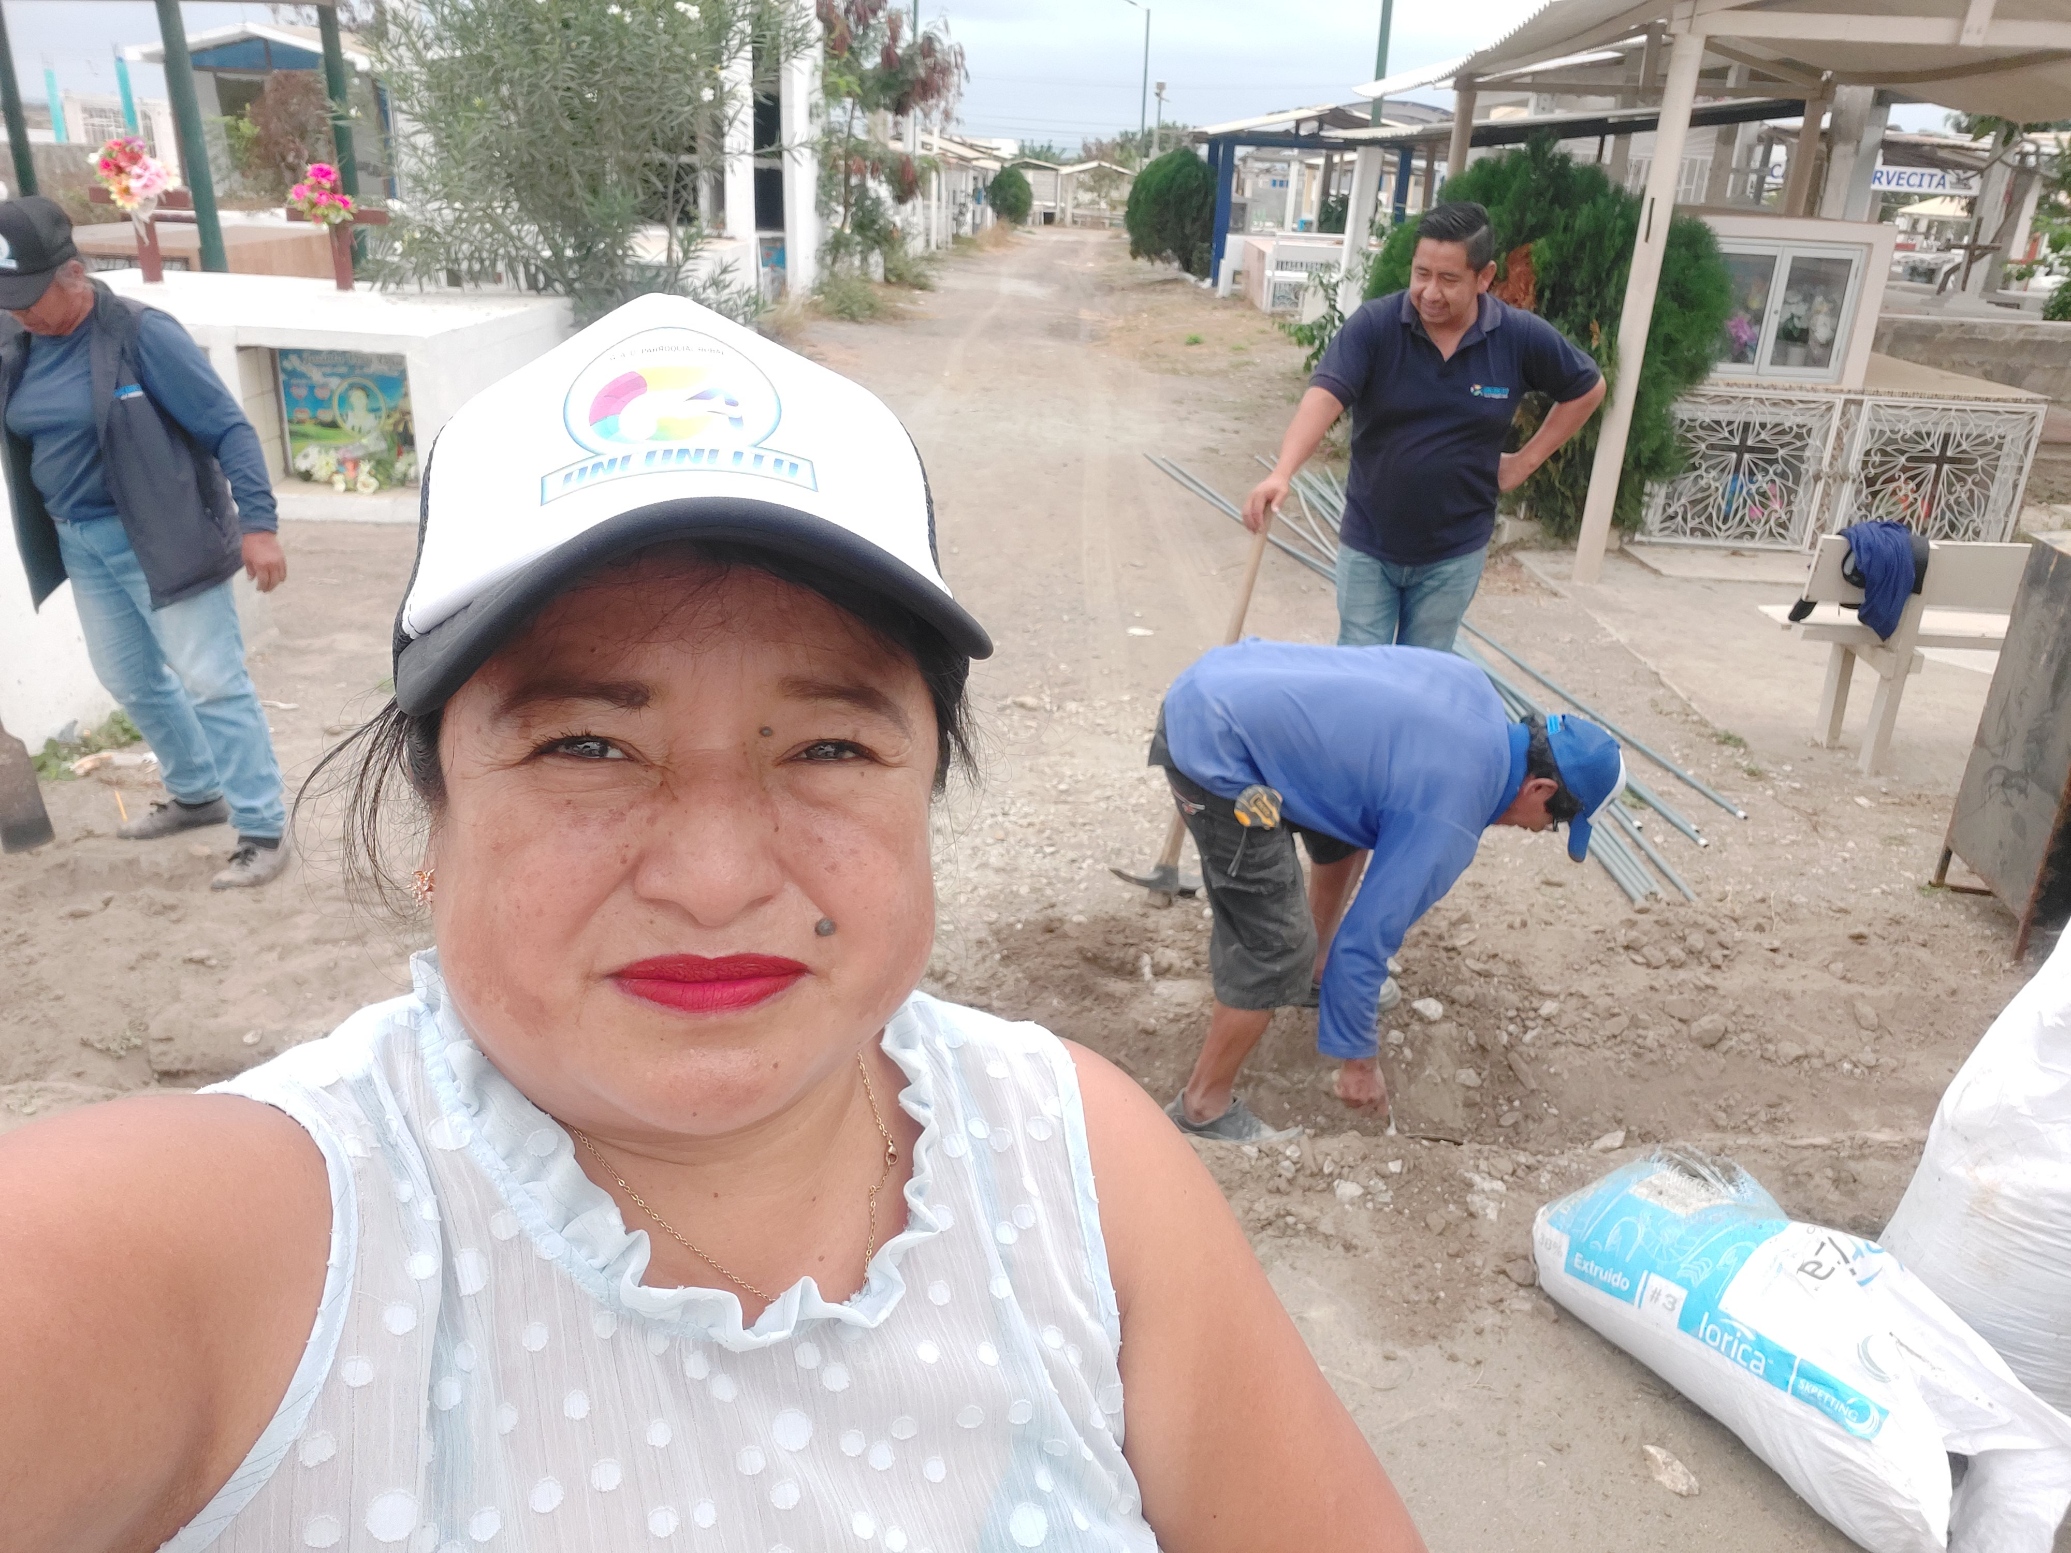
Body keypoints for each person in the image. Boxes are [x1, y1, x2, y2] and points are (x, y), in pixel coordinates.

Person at [0, 295, 1427, 1552]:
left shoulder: (1077, 1172)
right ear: (436, 814)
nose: (715, 879)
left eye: (828, 747)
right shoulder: (226, 1257)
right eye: (585, 745)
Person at [1152, 638, 1624, 1141]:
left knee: (1352, 829)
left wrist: (1341, 980)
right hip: (1216, 751)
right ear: (1541, 789)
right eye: (1553, 824)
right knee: (1275, 948)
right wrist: (1358, 1064)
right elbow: (1364, 947)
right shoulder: (1451, 813)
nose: (1537, 831)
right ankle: (1202, 1107)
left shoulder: (1474, 691)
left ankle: (1317, 972)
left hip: (1230, 678)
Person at [0, 195, 291, 888]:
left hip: (164, 536)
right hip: (80, 543)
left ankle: (262, 829)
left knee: (211, 680)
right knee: (129, 677)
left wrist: (258, 524)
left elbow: (229, 428)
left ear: (74, 274)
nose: (18, 312)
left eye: (28, 296)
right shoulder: (19, 343)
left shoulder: (140, 334)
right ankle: (197, 793)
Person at [1243, 201, 1607, 653]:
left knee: (1425, 671)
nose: (1430, 292)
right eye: (1422, 274)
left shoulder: (1518, 337)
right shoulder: (1376, 326)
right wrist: (1282, 472)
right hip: (1370, 542)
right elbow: (1325, 396)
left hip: (1454, 551)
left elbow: (1587, 388)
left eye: (1448, 279)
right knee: (1360, 668)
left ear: (1484, 277)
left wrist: (1524, 463)